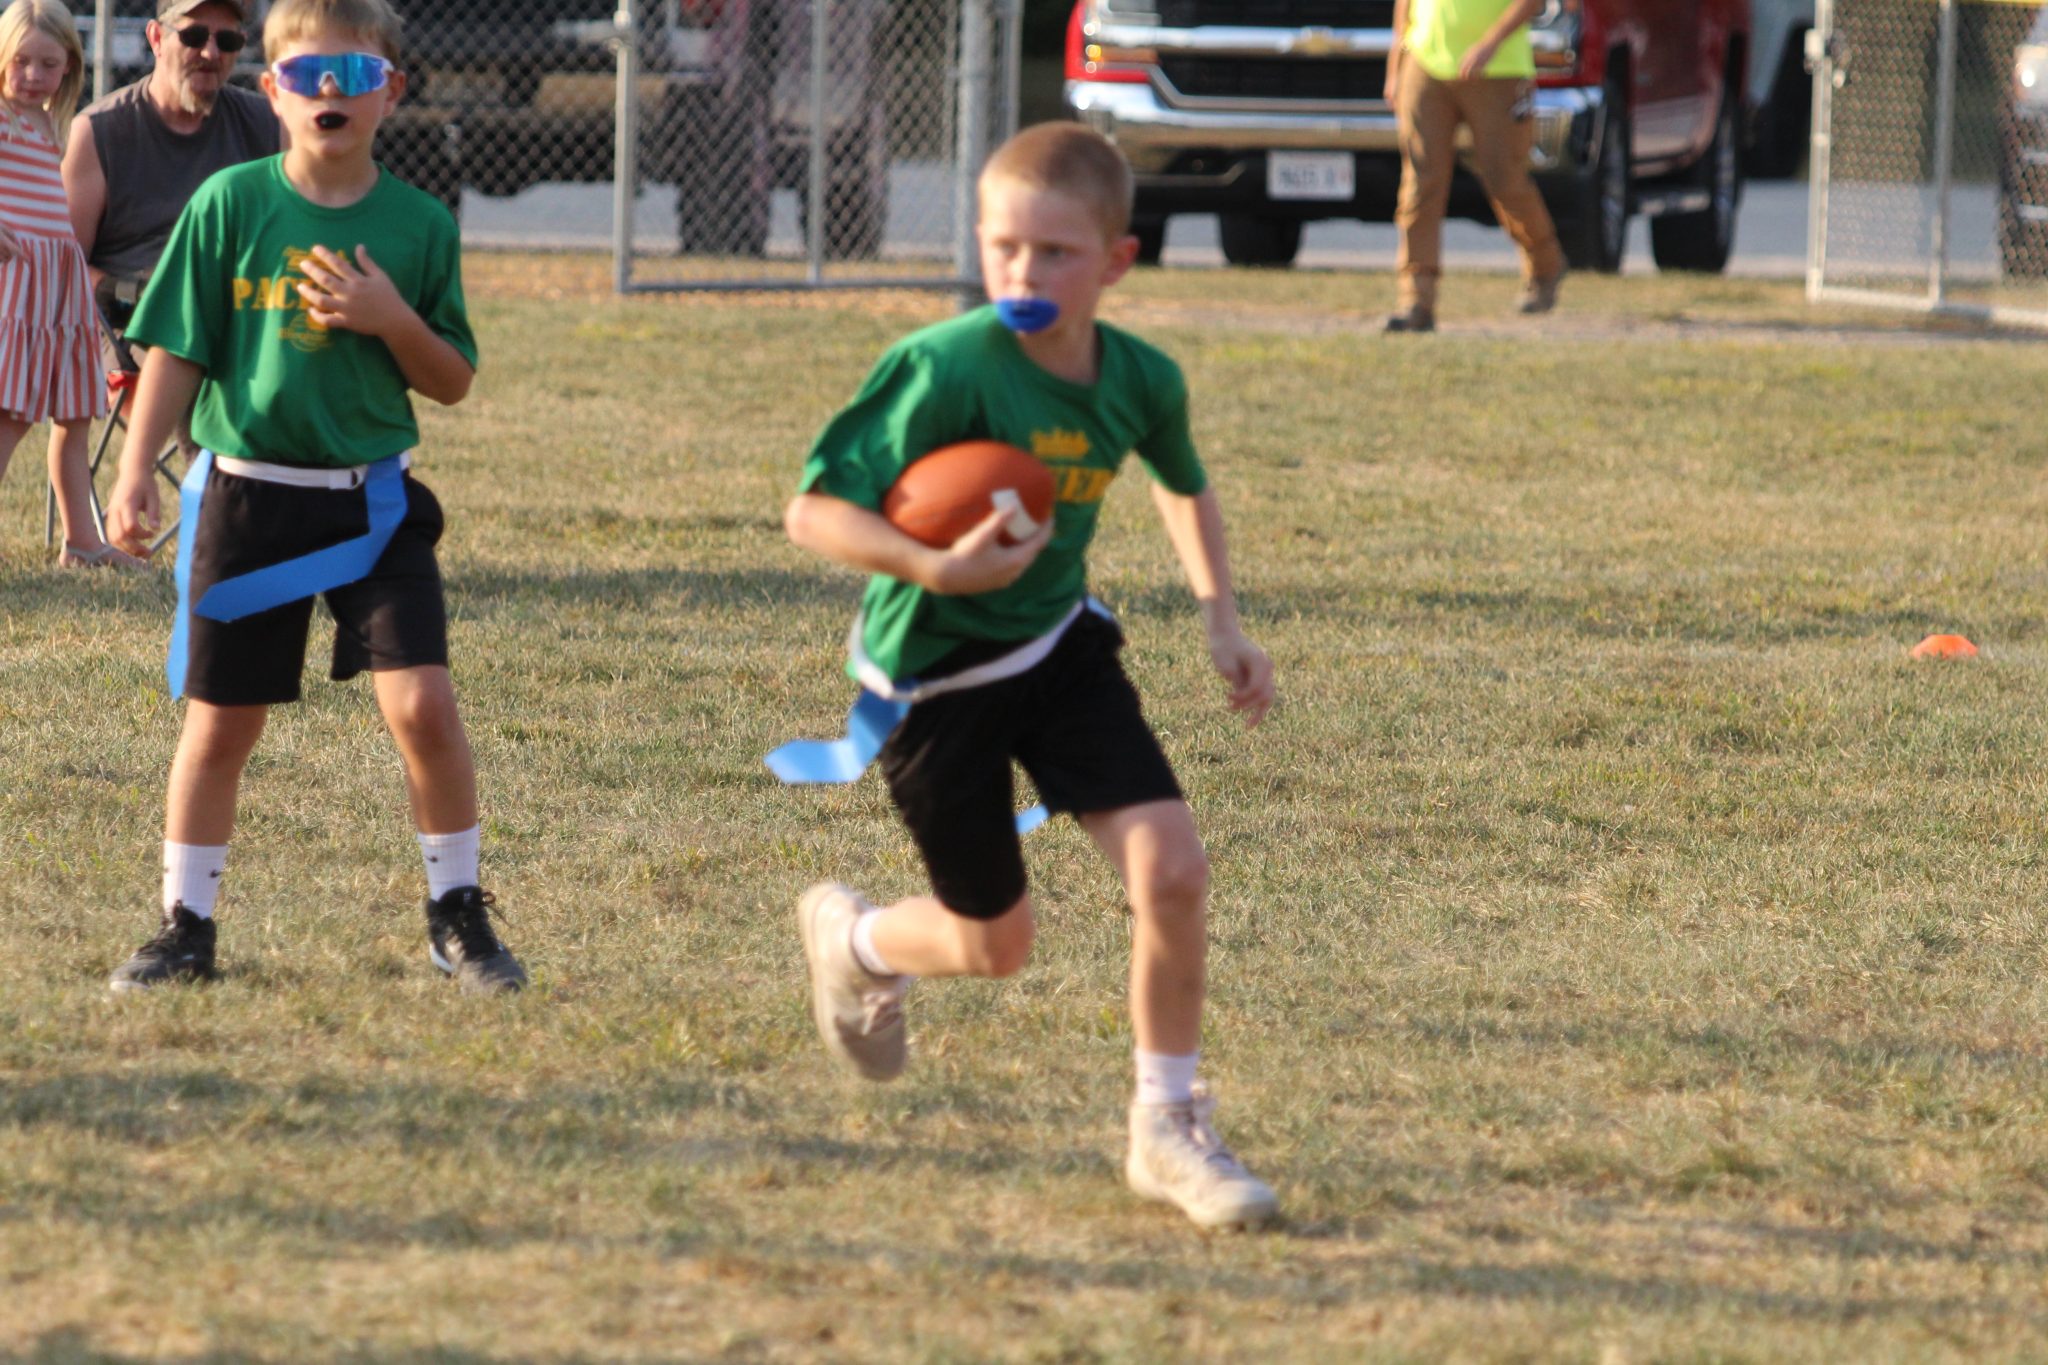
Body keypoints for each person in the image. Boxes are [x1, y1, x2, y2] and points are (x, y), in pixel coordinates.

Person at [782, 122, 1280, 1230]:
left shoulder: (1140, 377)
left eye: (1055, 253)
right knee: (995, 945)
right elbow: (811, 511)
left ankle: (1165, 1124)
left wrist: (1222, 620)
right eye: (1004, 247)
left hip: (1057, 649)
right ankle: (856, 943)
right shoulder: (945, 366)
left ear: (1117, 262)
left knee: (1173, 872)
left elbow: (1181, 482)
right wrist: (932, 566)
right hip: (933, 678)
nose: (1023, 273)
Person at [101, 0, 525, 996]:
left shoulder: (419, 224)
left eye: (356, 74)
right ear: (272, 91)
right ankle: (185, 926)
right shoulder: (230, 204)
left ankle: (456, 913)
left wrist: (388, 317)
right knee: (221, 724)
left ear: (392, 92)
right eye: (306, 74)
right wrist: (133, 469)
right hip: (246, 502)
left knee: (423, 706)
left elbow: (452, 380)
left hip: (371, 507)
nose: (330, 91)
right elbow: (178, 352)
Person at [43, 0, 279, 563]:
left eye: (228, 41)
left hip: (243, 311)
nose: (210, 52)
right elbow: (65, 264)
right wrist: (135, 295)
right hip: (130, 321)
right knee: (187, 339)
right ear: (155, 37)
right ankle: (228, 525)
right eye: (194, 35)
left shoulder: (265, 124)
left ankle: (315, 514)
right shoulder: (101, 131)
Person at [0, 0, 111, 560]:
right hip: (15, 287)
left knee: (74, 412)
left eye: (48, 63)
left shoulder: (55, 124)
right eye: (21, 61)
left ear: (69, 65)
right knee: (9, 416)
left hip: (60, 289)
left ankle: (82, 541)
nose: (33, 75)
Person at [1383, 0, 1566, 333]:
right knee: (1420, 182)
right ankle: (1416, 298)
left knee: (1504, 180)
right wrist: (1397, 63)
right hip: (1425, 62)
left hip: (1497, 68)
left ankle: (1544, 266)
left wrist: (1490, 44)